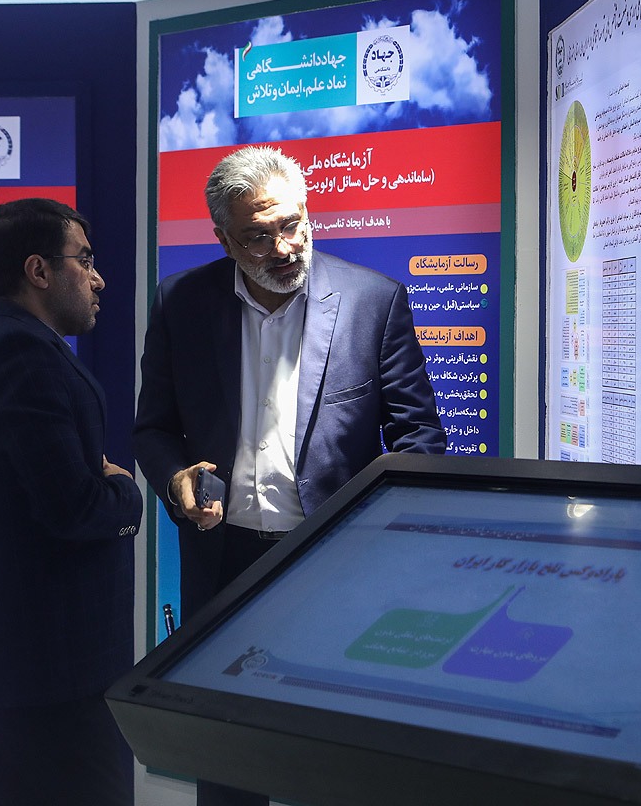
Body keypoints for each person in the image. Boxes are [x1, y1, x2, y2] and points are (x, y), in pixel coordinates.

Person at [134, 146, 445, 805]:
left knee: (338, 761)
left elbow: (419, 438)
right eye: (257, 235)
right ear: (223, 239)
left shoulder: (372, 302)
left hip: (336, 567)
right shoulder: (182, 303)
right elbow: (153, 428)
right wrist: (175, 479)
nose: (282, 247)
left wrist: (388, 543)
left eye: (293, 224)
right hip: (225, 567)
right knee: (227, 762)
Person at [0, 198, 141, 806]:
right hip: (45, 681)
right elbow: (73, 508)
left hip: (22, 676)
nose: (99, 279)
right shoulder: (21, 357)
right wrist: (124, 492)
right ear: (38, 270)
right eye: (85, 260)